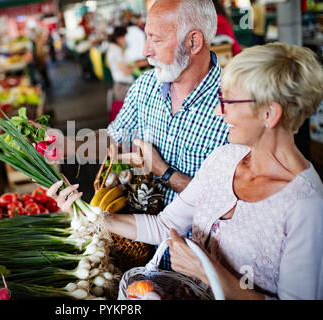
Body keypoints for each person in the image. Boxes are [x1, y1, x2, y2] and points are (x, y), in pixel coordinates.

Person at [48, 42, 323, 300]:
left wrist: (206, 271)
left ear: (269, 114)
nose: (218, 111)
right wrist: (89, 214)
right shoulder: (225, 159)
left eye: (228, 102)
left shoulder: (306, 206)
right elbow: (165, 225)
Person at [37, 0, 229, 271]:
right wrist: (69, 145)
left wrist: (163, 171)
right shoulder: (146, 85)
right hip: (137, 244)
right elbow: (115, 139)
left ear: (194, 42)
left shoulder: (231, 106)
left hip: (198, 263)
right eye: (146, 35)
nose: (145, 51)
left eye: (156, 40)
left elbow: (225, 204)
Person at [106, 26, 136, 101]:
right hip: (123, 88)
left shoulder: (113, 48)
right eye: (124, 37)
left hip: (122, 86)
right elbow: (126, 71)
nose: (125, 40)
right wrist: (135, 67)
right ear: (118, 38)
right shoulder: (116, 51)